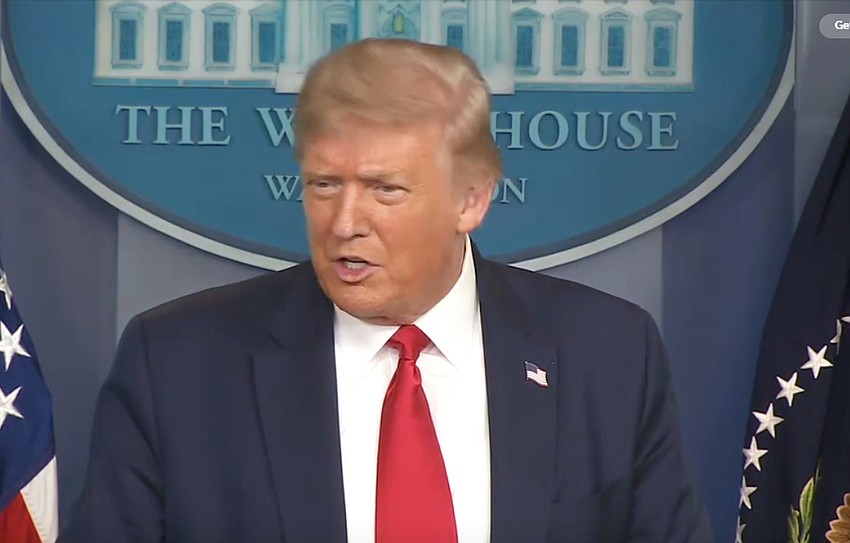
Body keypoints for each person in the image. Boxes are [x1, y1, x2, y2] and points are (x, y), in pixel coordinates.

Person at [61, 38, 712, 543]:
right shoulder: (177, 364)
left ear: (472, 198)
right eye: (323, 185)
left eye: (384, 189)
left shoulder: (609, 354)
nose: (345, 222)